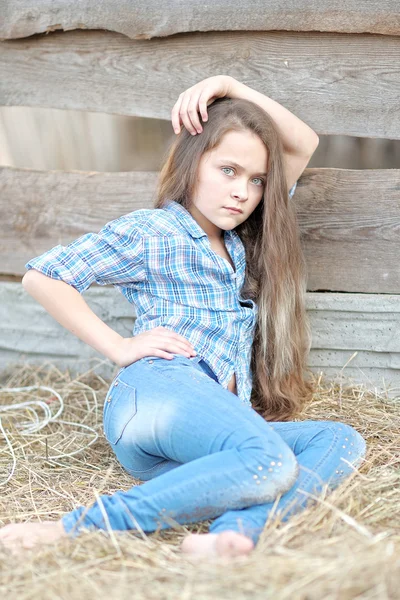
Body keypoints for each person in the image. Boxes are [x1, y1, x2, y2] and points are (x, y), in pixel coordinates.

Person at [0, 76, 366, 557]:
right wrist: (119, 347)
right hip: (158, 393)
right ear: (194, 163)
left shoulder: (243, 240)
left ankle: (232, 535)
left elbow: (304, 143)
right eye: (228, 170)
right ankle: (77, 529)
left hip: (208, 424)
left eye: (255, 180)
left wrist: (229, 83)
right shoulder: (153, 231)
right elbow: (43, 276)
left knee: (338, 440)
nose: (243, 192)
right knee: (269, 461)